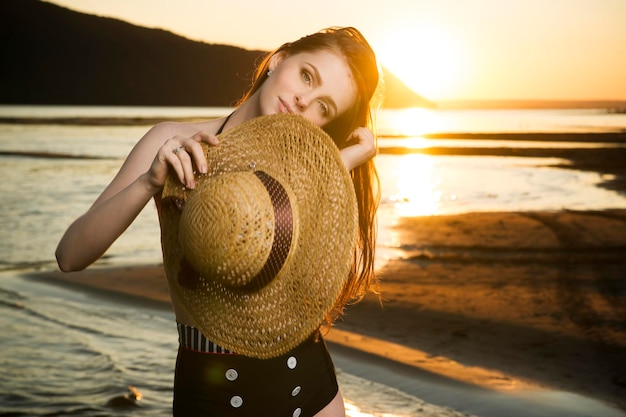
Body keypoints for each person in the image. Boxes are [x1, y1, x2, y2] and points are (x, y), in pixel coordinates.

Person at [56, 26, 381, 416]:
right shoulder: (173, 141)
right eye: (306, 76)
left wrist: (341, 164)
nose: (302, 99)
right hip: (211, 393)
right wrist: (149, 181)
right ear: (279, 59)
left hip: (309, 386)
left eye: (323, 107)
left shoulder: (308, 171)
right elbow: (70, 254)